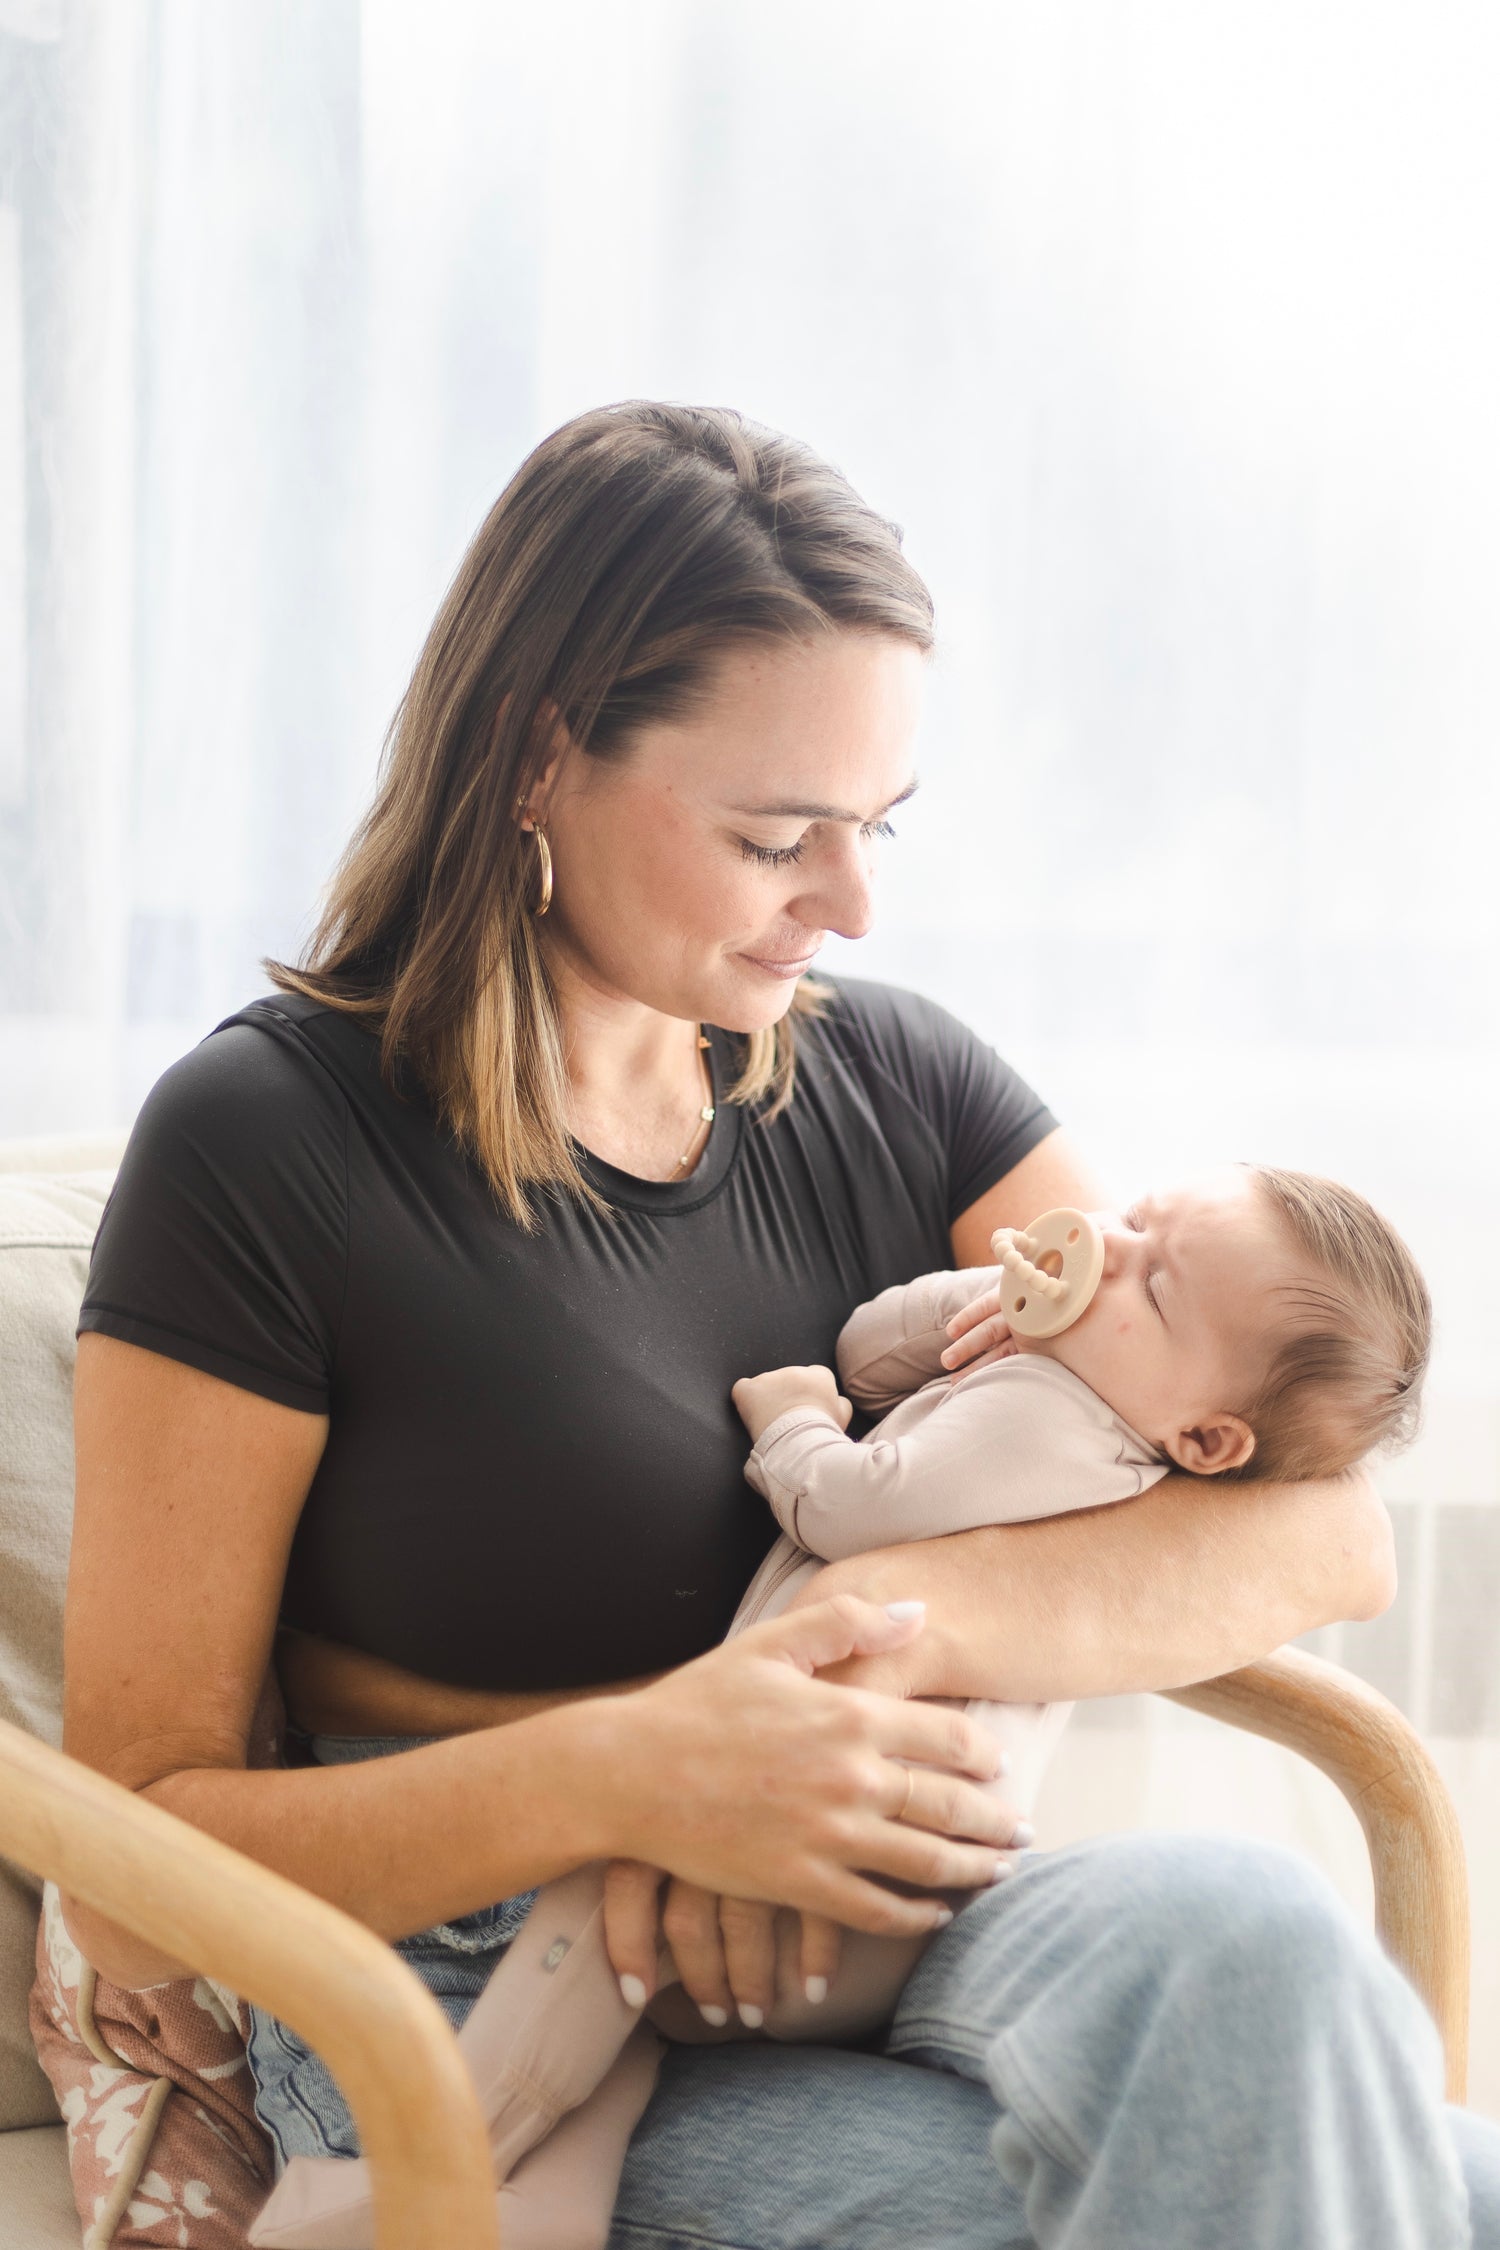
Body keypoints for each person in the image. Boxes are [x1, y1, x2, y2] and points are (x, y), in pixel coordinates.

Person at [55, 402, 1500, 2249]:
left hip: (884, 1908)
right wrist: (647, 1769)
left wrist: (851, 1652)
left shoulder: (900, 1084)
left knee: (1261, 1940)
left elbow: (1317, 1518)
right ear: (531, 756)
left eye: (879, 825)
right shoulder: (267, 1147)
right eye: (775, 834)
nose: (855, 900)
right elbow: (146, 1841)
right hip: (480, 1999)